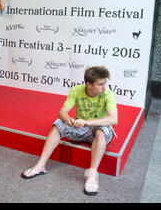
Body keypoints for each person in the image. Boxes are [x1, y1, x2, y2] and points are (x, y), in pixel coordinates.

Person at [21, 66, 118, 196]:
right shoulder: (76, 90)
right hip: (80, 128)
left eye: (105, 83)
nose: (104, 87)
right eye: (100, 84)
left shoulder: (108, 94)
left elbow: (113, 119)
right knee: (58, 124)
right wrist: (69, 120)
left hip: (98, 129)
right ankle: (40, 165)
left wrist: (88, 122)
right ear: (89, 84)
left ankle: (92, 173)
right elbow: (62, 112)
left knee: (101, 133)